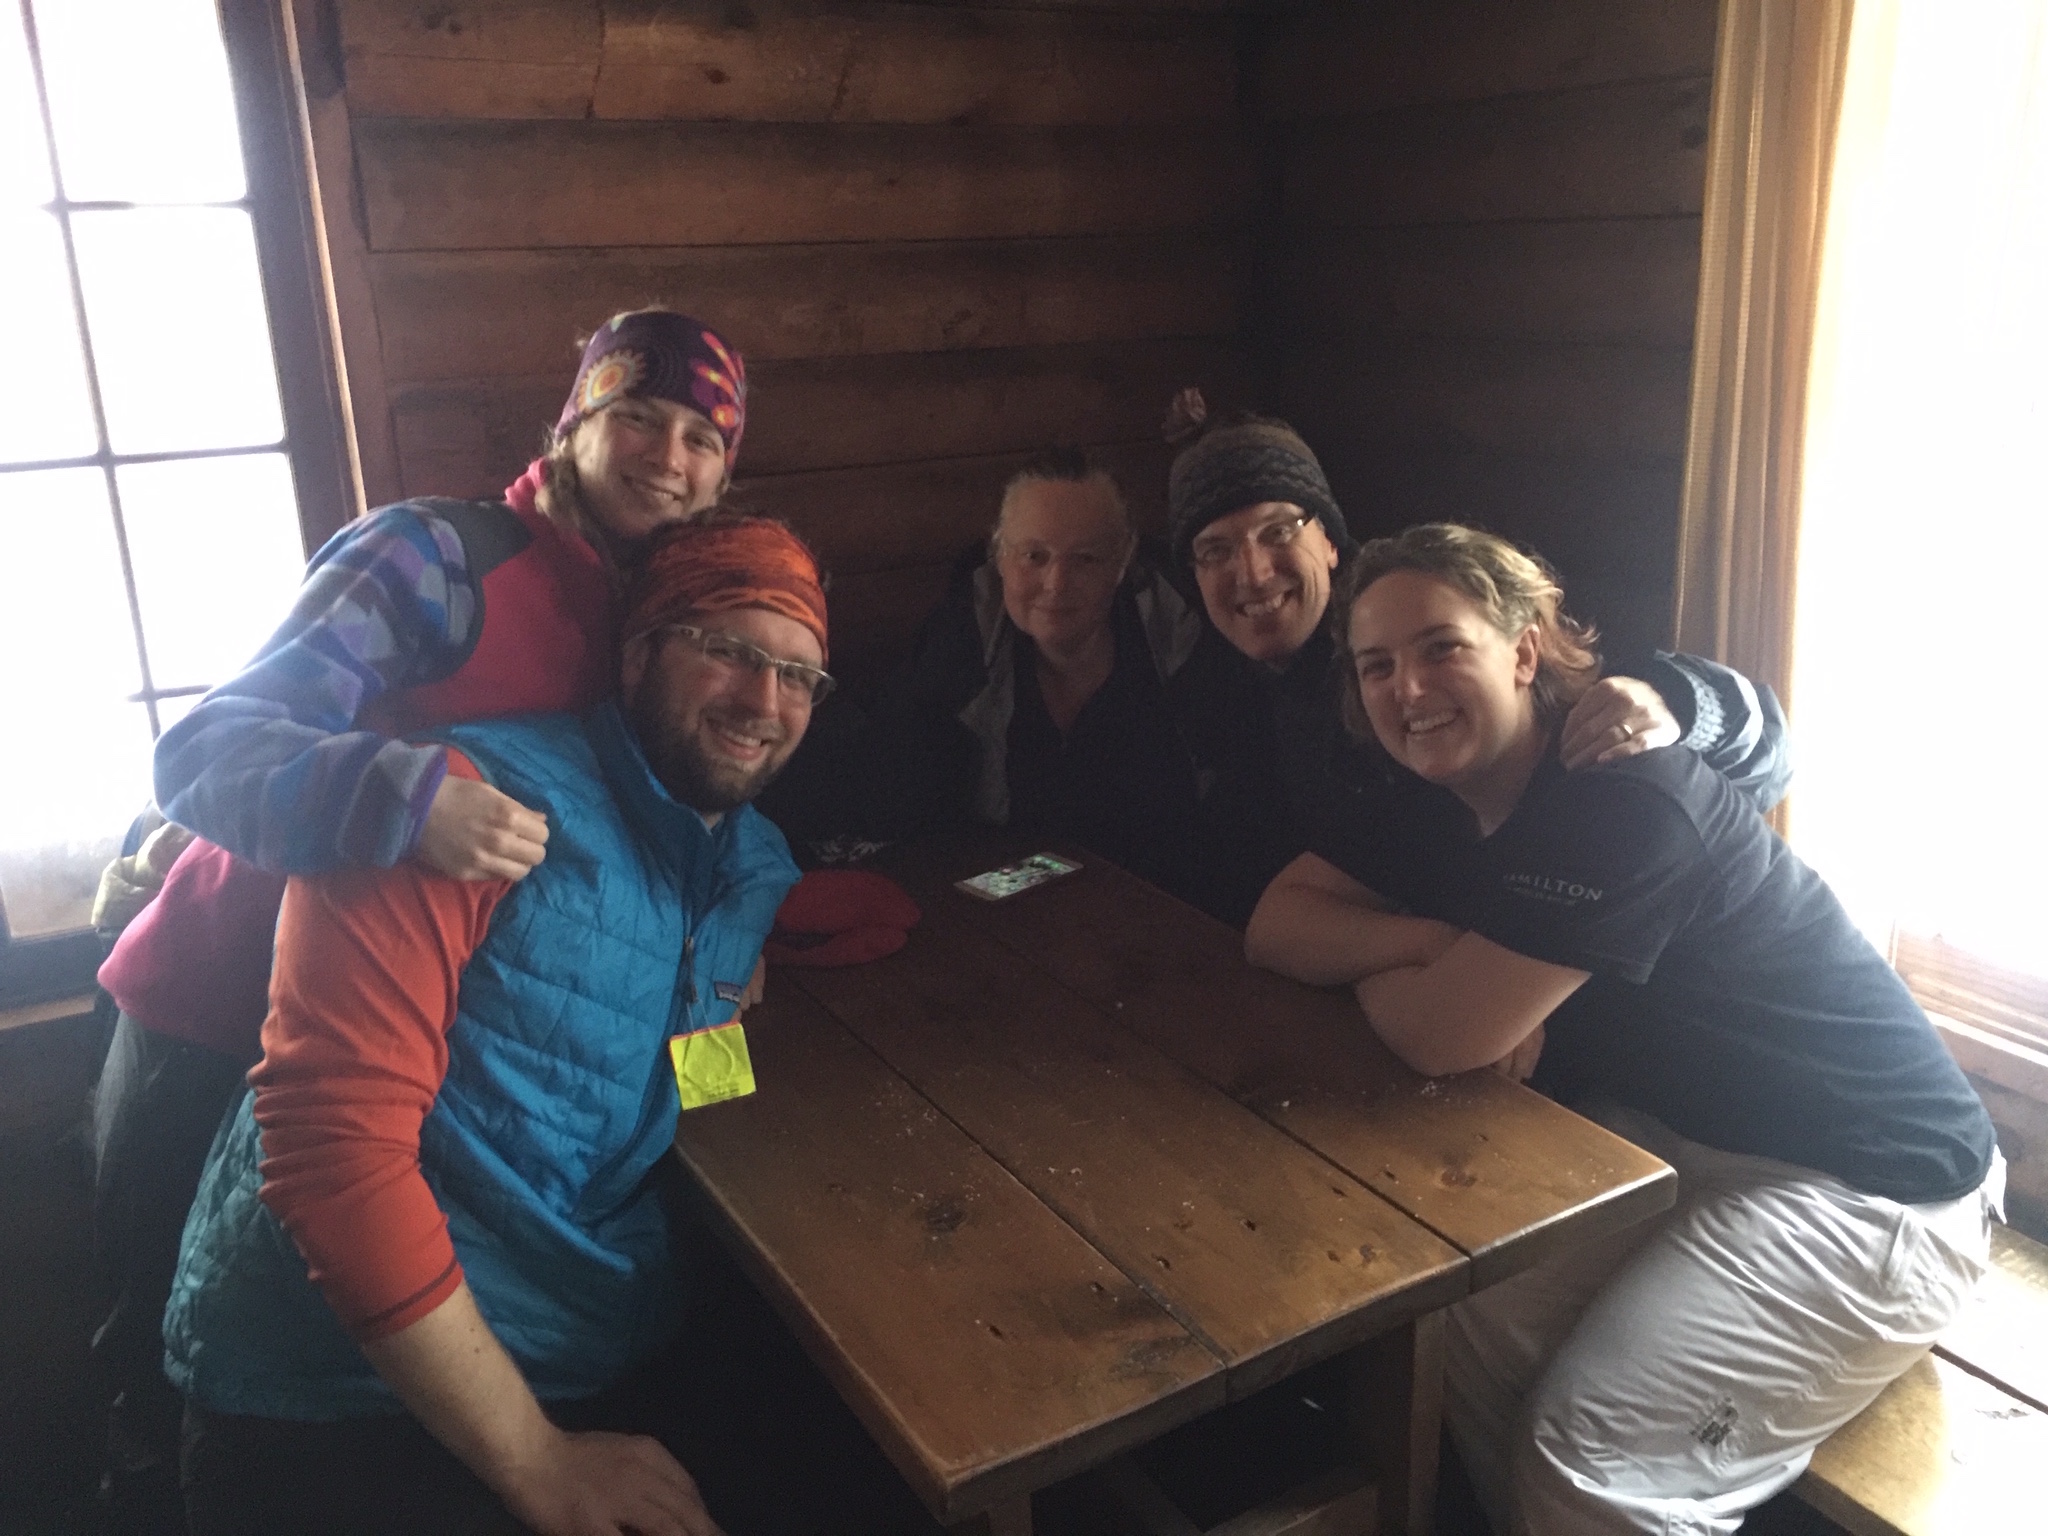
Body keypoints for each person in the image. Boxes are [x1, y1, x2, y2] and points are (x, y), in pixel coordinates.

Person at [87, 309, 747, 1531]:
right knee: (172, 1361)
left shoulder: (649, 615)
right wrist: (406, 798)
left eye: (702, 438)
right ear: (573, 425)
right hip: (211, 1016)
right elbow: (205, 751)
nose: (669, 455)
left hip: (418, 1064)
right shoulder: (435, 555)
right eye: (639, 417)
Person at [1246, 523, 2001, 1536]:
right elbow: (1276, 923)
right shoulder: (1435, 797)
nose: (1407, 689)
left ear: (1523, 650)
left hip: (1873, 1180)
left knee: (1590, 1461)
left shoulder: (1618, 793)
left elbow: (1443, 1038)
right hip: (1677, 1142)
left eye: (1440, 647)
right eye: (1375, 664)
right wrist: (1436, 942)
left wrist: (1420, 978)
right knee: (1457, 1328)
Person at [164, 516, 863, 1535]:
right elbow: (331, 1159)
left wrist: (729, 1052)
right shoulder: (454, 806)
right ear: (640, 654)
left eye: (798, 675)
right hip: (329, 1386)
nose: (764, 701)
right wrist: (536, 1459)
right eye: (728, 649)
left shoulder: (750, 866)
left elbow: (693, 1082)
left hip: (587, 1335)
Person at [1159, 394, 1792, 879]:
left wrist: (1673, 701)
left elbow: (1769, 758)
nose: (1252, 572)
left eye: (1277, 532)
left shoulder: (1426, 610)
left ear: (1327, 539)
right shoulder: (1215, 685)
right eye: (1215, 550)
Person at [859, 449, 1266, 922]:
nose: (1057, 583)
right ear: (999, 556)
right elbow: (914, 824)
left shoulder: (1184, 638)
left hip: (1172, 913)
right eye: (1034, 556)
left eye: (1085, 559)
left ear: (1122, 561)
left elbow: (1240, 824)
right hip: (1015, 923)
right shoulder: (958, 650)